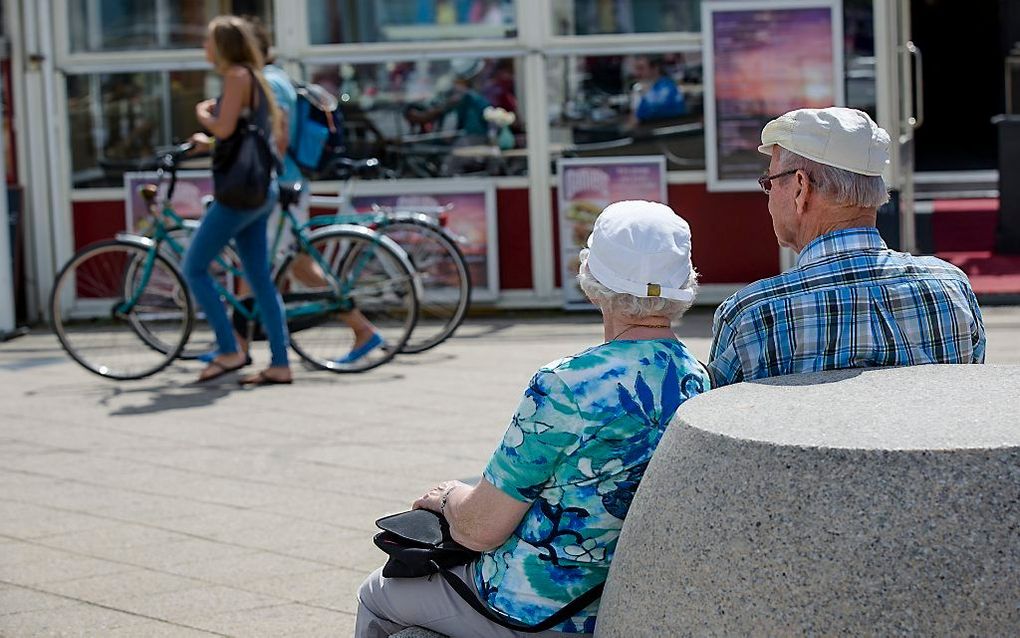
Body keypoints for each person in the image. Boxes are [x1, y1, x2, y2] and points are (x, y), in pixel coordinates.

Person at [356, 200, 710, 637]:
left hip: (539, 609)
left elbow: (481, 530)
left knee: (376, 592)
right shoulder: (697, 377)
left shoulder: (566, 384)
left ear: (592, 281)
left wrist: (448, 497)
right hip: (630, 599)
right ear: (684, 284)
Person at [707, 106, 986, 387]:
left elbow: (717, 421)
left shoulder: (751, 316)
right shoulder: (951, 288)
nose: (768, 198)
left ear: (801, 188)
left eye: (769, 182)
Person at [182, 15, 292, 386]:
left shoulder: (236, 77)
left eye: (209, 42)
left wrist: (202, 114)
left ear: (222, 47)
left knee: (194, 268)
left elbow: (225, 128)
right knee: (260, 278)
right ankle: (279, 363)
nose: (204, 49)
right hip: (260, 189)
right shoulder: (255, 77)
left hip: (238, 194)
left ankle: (229, 350)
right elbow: (244, 133)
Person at [628, 55, 686, 126]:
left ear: (655, 68)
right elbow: (634, 117)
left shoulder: (669, 86)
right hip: (645, 131)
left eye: (641, 68)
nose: (637, 73)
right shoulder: (637, 88)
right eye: (637, 69)